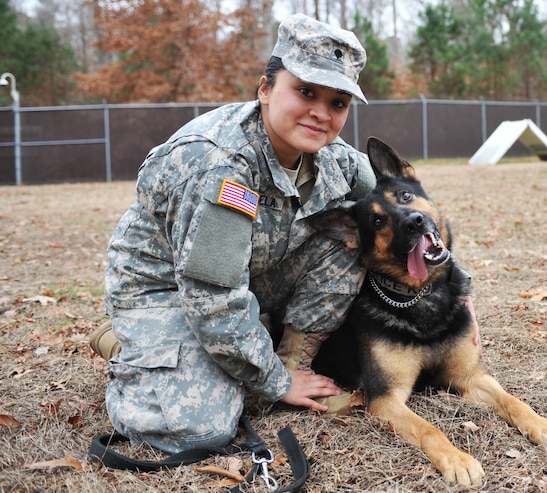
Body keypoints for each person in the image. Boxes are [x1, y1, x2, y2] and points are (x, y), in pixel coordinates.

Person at [89, 13, 376, 454]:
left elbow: (403, 208)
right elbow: (212, 295)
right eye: (304, 92)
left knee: (353, 231)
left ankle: (287, 358)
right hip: (167, 289)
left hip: (245, 274)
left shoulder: (334, 156)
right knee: (199, 432)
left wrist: (449, 277)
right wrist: (277, 384)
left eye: (338, 103)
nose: (321, 113)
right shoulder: (220, 164)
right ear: (265, 89)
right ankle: (131, 352)